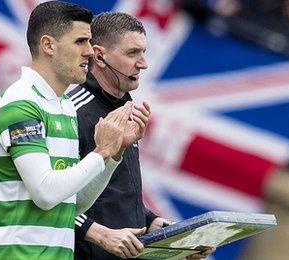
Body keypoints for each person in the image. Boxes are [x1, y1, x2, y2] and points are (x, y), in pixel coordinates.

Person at [0, 2, 147, 259]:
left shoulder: (65, 107)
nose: (90, 52)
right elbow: (46, 194)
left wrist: (114, 154)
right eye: (80, 41)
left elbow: (74, 202)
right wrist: (101, 152)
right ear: (48, 46)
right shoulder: (21, 102)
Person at [68, 12, 214, 259]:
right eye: (132, 53)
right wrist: (101, 235)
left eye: (144, 52)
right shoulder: (72, 112)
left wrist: (157, 225)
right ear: (99, 56)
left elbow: (114, 196)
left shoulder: (126, 110)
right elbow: (51, 199)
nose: (143, 63)